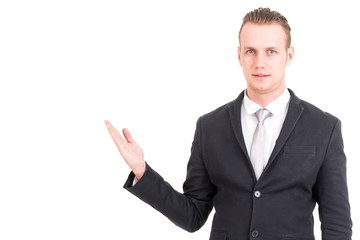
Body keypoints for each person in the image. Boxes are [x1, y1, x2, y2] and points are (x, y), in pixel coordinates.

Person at [105, 7, 352, 240]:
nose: (260, 63)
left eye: (271, 51)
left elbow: (336, 224)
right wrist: (143, 172)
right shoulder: (209, 127)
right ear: (239, 55)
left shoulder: (324, 128)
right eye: (251, 51)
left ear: (289, 55)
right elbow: (192, 215)